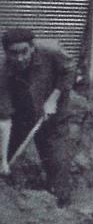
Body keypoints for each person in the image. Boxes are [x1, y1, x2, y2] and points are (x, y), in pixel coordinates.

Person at [0, 28, 73, 206]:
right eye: (13, 53)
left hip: (54, 114)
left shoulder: (51, 51)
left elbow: (69, 71)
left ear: (32, 47)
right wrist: (3, 160)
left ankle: (62, 208)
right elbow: (5, 119)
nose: (19, 58)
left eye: (24, 51)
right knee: (7, 158)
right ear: (6, 52)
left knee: (56, 160)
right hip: (23, 117)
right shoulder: (3, 72)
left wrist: (53, 98)